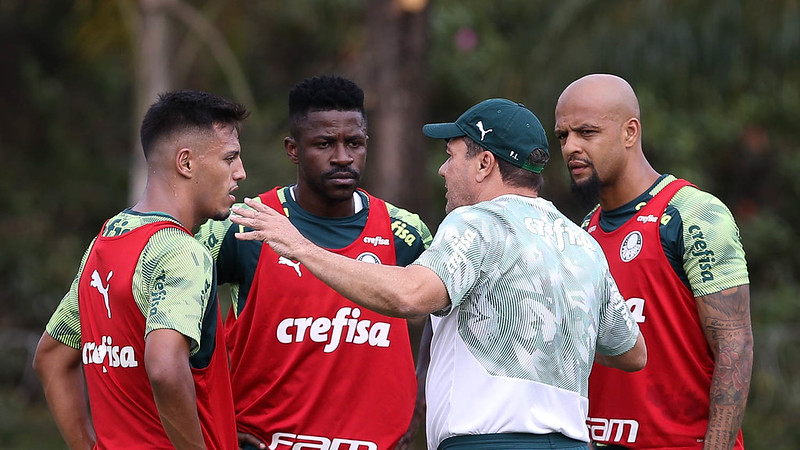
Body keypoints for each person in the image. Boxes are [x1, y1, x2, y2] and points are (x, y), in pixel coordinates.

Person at [227, 98, 647, 450]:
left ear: (483, 163)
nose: (443, 171)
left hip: (486, 442)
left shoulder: (477, 223)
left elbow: (411, 295)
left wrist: (298, 245)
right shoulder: (581, 242)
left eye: (451, 156)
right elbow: (631, 351)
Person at [196, 75, 432, 450]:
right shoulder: (247, 224)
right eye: (324, 144)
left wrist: (419, 402)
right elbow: (170, 316)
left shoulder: (404, 233)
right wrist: (211, 419)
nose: (342, 157)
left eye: (354, 143)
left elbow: (447, 318)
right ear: (293, 149)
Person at [33, 90, 248, 449]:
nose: (240, 172)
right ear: (187, 163)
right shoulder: (181, 252)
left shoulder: (105, 242)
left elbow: (51, 357)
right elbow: (164, 368)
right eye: (230, 158)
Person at [554, 74, 753, 449]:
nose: (570, 148)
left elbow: (735, 345)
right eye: (563, 136)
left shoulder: (692, 214)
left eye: (587, 132)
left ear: (630, 132)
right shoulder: (583, 232)